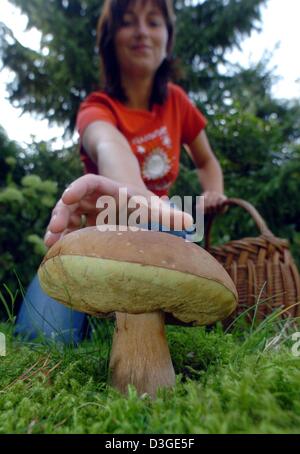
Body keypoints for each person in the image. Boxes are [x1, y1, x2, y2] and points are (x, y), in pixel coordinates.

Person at [15, 0, 226, 343]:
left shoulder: (176, 102)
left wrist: (212, 192)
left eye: (154, 22)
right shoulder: (96, 106)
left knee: (164, 218)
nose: (142, 31)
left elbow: (206, 161)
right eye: (128, 22)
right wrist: (133, 193)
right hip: (96, 235)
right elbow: (110, 143)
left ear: (167, 39)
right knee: (40, 336)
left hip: (160, 227)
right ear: (111, 40)